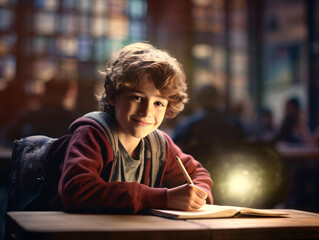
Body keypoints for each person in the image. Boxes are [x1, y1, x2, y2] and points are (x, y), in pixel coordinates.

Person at [53, 42, 213, 213]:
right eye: (137, 98)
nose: (146, 112)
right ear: (113, 95)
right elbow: (76, 190)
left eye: (158, 103)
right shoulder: (92, 134)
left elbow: (199, 174)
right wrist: (163, 198)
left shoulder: (161, 145)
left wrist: (198, 195)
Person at [172, 84, 245, 168]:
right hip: (228, 171)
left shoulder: (188, 125)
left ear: (198, 100)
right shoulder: (233, 124)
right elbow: (244, 149)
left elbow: (174, 150)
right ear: (218, 99)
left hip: (196, 173)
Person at [0, 77, 80, 147]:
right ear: (67, 94)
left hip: (30, 163)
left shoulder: (29, 116)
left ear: (44, 92)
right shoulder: (75, 120)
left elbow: (6, 138)